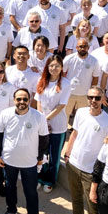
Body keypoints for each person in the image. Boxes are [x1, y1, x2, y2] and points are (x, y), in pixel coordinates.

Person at [60, 86, 108, 214]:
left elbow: (107, 150)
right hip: (74, 164)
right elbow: (75, 133)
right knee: (75, 199)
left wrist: (98, 172)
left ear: (103, 99)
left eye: (97, 98)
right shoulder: (81, 112)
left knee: (94, 210)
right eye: (90, 97)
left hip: (91, 172)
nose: (93, 101)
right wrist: (67, 153)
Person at [0, 88, 49, 214]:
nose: (22, 102)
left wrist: (40, 158)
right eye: (19, 99)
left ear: (29, 100)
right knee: (9, 187)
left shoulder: (38, 116)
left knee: (31, 192)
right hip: (9, 160)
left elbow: (44, 139)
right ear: (14, 100)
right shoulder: (5, 114)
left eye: (25, 99)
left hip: (29, 162)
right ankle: (11, 211)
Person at [34, 55, 71, 193]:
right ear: (47, 67)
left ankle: (49, 181)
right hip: (42, 123)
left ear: (61, 68)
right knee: (42, 154)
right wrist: (42, 119)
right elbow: (38, 101)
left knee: (54, 156)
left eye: (57, 66)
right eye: (51, 65)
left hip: (58, 125)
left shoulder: (66, 83)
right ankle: (39, 178)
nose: (54, 68)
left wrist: (46, 119)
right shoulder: (42, 80)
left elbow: (61, 105)